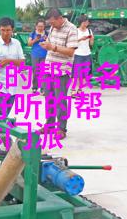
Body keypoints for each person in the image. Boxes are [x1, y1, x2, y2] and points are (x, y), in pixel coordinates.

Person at [39, 8, 78, 140]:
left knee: (60, 100)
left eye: (52, 22)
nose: (51, 25)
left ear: (60, 18)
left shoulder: (71, 29)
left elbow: (70, 52)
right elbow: (51, 44)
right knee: (49, 99)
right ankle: (49, 125)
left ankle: (61, 129)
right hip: (49, 68)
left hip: (62, 70)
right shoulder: (53, 28)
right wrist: (47, 45)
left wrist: (53, 47)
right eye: (50, 23)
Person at [0, 17, 25, 117]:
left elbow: (22, 63)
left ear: (12, 29)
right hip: (0, 87)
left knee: (4, 115)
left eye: (8, 30)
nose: (5, 33)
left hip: (12, 86)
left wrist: (9, 61)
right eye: (3, 30)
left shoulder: (16, 44)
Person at [72, 14, 94, 98]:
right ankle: (73, 91)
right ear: (82, 22)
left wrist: (91, 39)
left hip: (87, 54)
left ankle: (80, 90)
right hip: (78, 54)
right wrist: (81, 39)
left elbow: (91, 44)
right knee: (76, 74)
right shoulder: (76, 31)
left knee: (85, 74)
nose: (87, 23)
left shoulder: (89, 31)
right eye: (86, 21)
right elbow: (72, 42)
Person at [28, 19, 48, 93]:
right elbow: (29, 43)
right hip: (35, 54)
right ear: (36, 26)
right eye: (39, 26)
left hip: (45, 54)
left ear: (44, 26)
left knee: (43, 71)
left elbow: (51, 43)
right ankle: (35, 86)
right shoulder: (33, 33)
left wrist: (46, 40)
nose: (40, 28)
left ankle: (43, 88)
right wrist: (36, 39)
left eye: (42, 26)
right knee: (35, 70)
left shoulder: (47, 33)